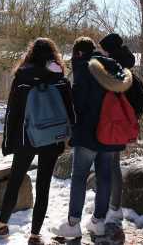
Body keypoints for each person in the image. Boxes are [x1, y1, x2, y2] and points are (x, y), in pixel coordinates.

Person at [0, 38, 75, 245]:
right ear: (53, 55)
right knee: (43, 187)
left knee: (15, 182)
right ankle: (35, 235)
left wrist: (7, 142)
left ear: (31, 54)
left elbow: (12, 112)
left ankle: (2, 226)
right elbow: (70, 111)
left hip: (26, 138)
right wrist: (71, 135)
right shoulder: (61, 80)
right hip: (53, 138)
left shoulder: (22, 77)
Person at [53, 37, 133, 238]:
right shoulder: (113, 66)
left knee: (79, 177)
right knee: (104, 176)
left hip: (88, 132)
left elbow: (78, 103)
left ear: (78, 53)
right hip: (111, 133)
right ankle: (98, 221)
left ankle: (73, 223)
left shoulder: (83, 68)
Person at [98, 33, 136, 224]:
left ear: (109, 49)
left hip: (112, 121)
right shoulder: (127, 65)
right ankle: (114, 206)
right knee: (114, 165)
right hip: (123, 121)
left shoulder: (113, 66)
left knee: (109, 165)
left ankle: (112, 207)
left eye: (103, 48)